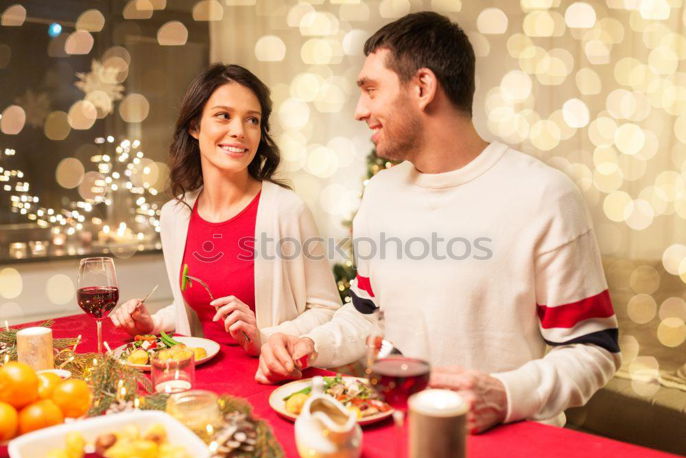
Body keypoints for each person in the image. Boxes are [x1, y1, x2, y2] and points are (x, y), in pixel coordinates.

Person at [257, 12, 621, 433]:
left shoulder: (544, 196)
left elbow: (593, 348)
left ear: (423, 87)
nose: (360, 111)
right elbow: (367, 316)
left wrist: (505, 394)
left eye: (371, 90)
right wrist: (310, 345)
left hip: (508, 450)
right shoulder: (380, 194)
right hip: (399, 437)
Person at [111, 64, 341, 356]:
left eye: (252, 120)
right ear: (194, 126)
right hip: (199, 381)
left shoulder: (286, 210)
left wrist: (264, 337)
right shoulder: (175, 215)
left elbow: (327, 309)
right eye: (224, 116)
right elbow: (199, 313)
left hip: (266, 379)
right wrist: (152, 324)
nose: (239, 131)